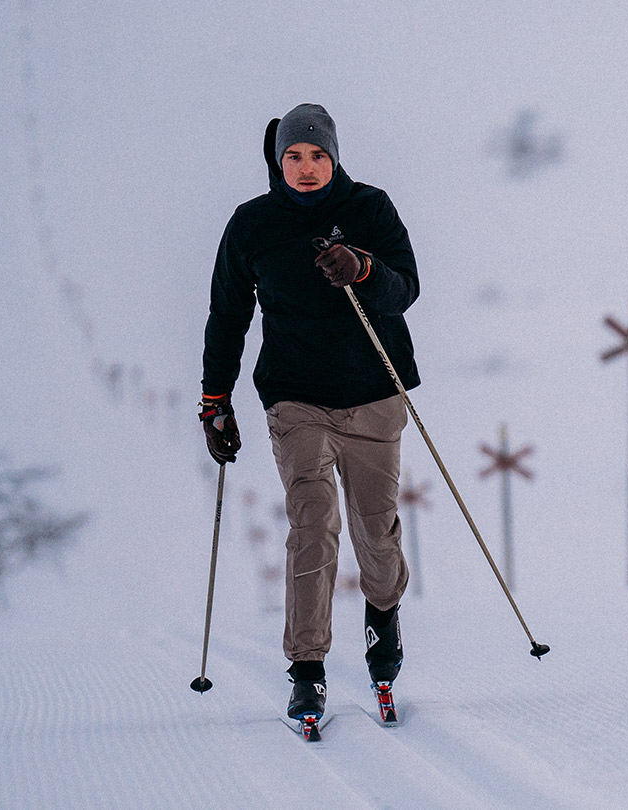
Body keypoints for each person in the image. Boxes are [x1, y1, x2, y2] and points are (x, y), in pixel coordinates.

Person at [200, 103, 420, 722]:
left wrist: (363, 268)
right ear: (278, 160)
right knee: (313, 521)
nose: (305, 167)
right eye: (293, 156)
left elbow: (406, 287)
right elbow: (227, 316)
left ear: (335, 156)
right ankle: (308, 670)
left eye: (317, 155)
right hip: (296, 399)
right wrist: (215, 400)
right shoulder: (252, 226)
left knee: (375, 529)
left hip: (374, 393)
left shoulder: (370, 209)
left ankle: (383, 621)